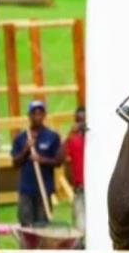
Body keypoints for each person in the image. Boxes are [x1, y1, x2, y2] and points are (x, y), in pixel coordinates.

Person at [11, 100, 64, 227]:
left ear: (44, 115)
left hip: (44, 190)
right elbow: (15, 163)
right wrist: (25, 150)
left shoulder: (52, 137)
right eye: (34, 113)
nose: (37, 116)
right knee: (26, 227)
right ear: (29, 116)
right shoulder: (21, 138)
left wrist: (41, 159)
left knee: (42, 227)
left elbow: (58, 162)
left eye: (40, 113)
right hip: (26, 191)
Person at [65, 105, 86, 237]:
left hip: (96, 189)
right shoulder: (73, 140)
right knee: (80, 226)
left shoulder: (96, 141)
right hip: (79, 189)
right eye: (79, 121)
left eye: (84, 120)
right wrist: (70, 133)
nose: (82, 123)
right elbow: (60, 156)